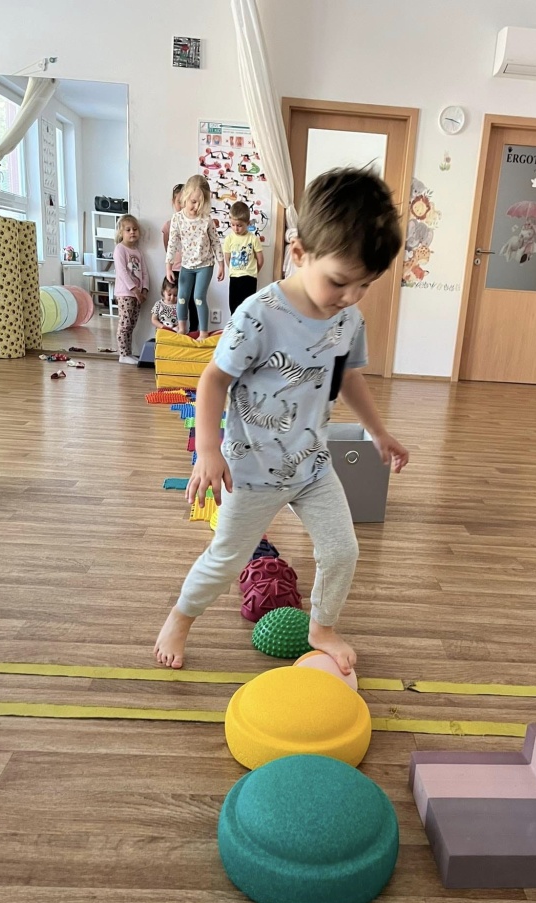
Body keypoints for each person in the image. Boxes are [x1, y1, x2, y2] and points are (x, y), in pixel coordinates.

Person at [154, 167, 409, 674]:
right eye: (340, 282)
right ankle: (180, 617)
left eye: (365, 285)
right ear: (299, 253)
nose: (351, 296)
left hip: (311, 466)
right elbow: (213, 380)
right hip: (249, 472)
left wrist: (379, 432)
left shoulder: (348, 318)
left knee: (343, 551)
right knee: (227, 558)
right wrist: (208, 451)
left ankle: (322, 627)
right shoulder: (258, 315)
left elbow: (348, 376)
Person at [165, 174, 224, 340]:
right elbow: (172, 243)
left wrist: (221, 264)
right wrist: (168, 266)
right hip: (186, 266)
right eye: (193, 201)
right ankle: (182, 328)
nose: (196, 206)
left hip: (205, 265)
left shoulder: (206, 220)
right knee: (182, 297)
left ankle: (203, 333)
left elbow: (216, 242)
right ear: (185, 197)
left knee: (198, 297)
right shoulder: (177, 219)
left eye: (201, 203)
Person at [162, 183, 198, 332]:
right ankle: (175, 331)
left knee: (194, 302)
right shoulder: (169, 225)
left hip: (193, 269)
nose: (182, 206)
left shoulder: (196, 224)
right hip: (177, 270)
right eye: (179, 202)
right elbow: (167, 248)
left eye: (185, 202)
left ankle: (194, 331)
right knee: (176, 302)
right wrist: (171, 267)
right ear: (173, 202)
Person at [113, 214, 149, 364]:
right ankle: (123, 354)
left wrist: (145, 289)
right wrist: (135, 290)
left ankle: (128, 353)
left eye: (135, 229)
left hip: (137, 294)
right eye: (128, 230)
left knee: (132, 324)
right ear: (121, 233)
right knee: (125, 323)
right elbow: (122, 272)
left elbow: (144, 272)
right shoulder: (120, 249)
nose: (132, 232)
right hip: (125, 293)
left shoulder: (138, 252)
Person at [223, 201, 264, 316]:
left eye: (239, 225)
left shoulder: (253, 239)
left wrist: (253, 272)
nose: (236, 228)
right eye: (233, 225)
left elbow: (260, 260)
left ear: (248, 223)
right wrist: (234, 270)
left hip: (249, 278)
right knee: (233, 307)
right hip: (234, 277)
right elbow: (227, 258)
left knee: (248, 308)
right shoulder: (229, 239)